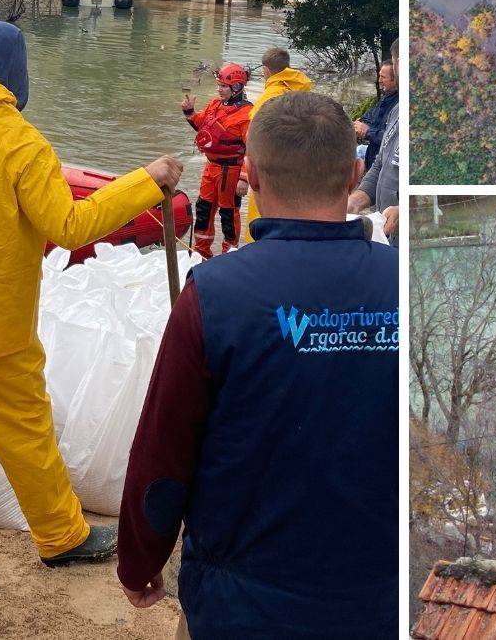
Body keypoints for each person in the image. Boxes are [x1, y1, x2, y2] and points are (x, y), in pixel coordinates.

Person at [0, 21, 184, 596]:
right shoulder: (18, 142)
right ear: (20, 77)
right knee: (26, 435)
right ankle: (61, 537)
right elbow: (69, 227)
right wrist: (145, 181)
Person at [118, 91, 397, 638]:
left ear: (250, 177)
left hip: (241, 606)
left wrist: (139, 560)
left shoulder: (215, 296)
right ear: (355, 174)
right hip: (378, 602)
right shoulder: (403, 284)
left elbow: (161, 454)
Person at [240, 47, 312, 241]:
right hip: (299, 170)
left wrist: (245, 175)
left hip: (270, 170)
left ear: (266, 70)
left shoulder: (268, 98)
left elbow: (253, 137)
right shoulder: (302, 93)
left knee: (261, 226)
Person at [181, 64, 253, 258]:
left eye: (223, 86)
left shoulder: (247, 115)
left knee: (228, 215)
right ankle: (201, 254)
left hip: (230, 171)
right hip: (211, 167)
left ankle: (229, 256)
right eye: (219, 85)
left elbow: (252, 149)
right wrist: (189, 113)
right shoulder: (215, 105)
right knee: (203, 209)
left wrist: (244, 178)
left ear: (237, 87)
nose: (219, 89)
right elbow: (202, 128)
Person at [346, 40, 400, 243]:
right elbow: (381, 164)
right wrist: (355, 201)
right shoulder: (397, 111)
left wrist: (405, 211)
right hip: (387, 235)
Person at [354, 61, 398, 171]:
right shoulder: (387, 98)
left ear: (395, 79)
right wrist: (357, 126)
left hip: (385, 166)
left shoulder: (399, 105)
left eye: (383, 77)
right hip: (371, 155)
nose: (379, 80)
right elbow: (370, 117)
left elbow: (393, 140)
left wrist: (367, 132)